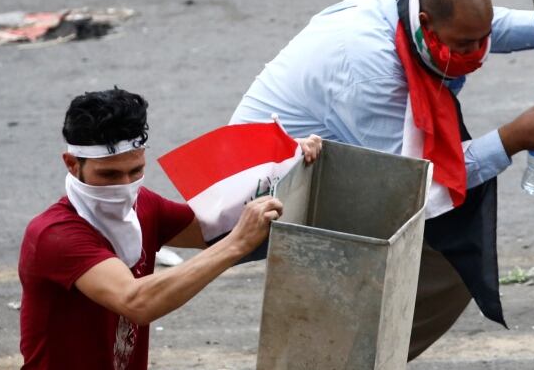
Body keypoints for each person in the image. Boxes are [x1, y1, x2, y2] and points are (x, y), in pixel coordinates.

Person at [231, 0, 534, 360]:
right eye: (464, 46)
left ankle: (349, 354)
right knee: (441, 260)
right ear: (425, 23)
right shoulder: (369, 73)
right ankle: (341, 359)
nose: (475, 54)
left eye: (479, 41)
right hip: (268, 189)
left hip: (329, 158)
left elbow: (487, 29)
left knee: (448, 256)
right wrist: (510, 140)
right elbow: (416, 183)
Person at [18, 88, 322, 370]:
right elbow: (136, 301)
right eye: (109, 174)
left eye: (135, 171)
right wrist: (236, 244)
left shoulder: (143, 205)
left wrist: (289, 166)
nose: (125, 187)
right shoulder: (54, 235)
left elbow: (214, 229)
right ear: (72, 164)